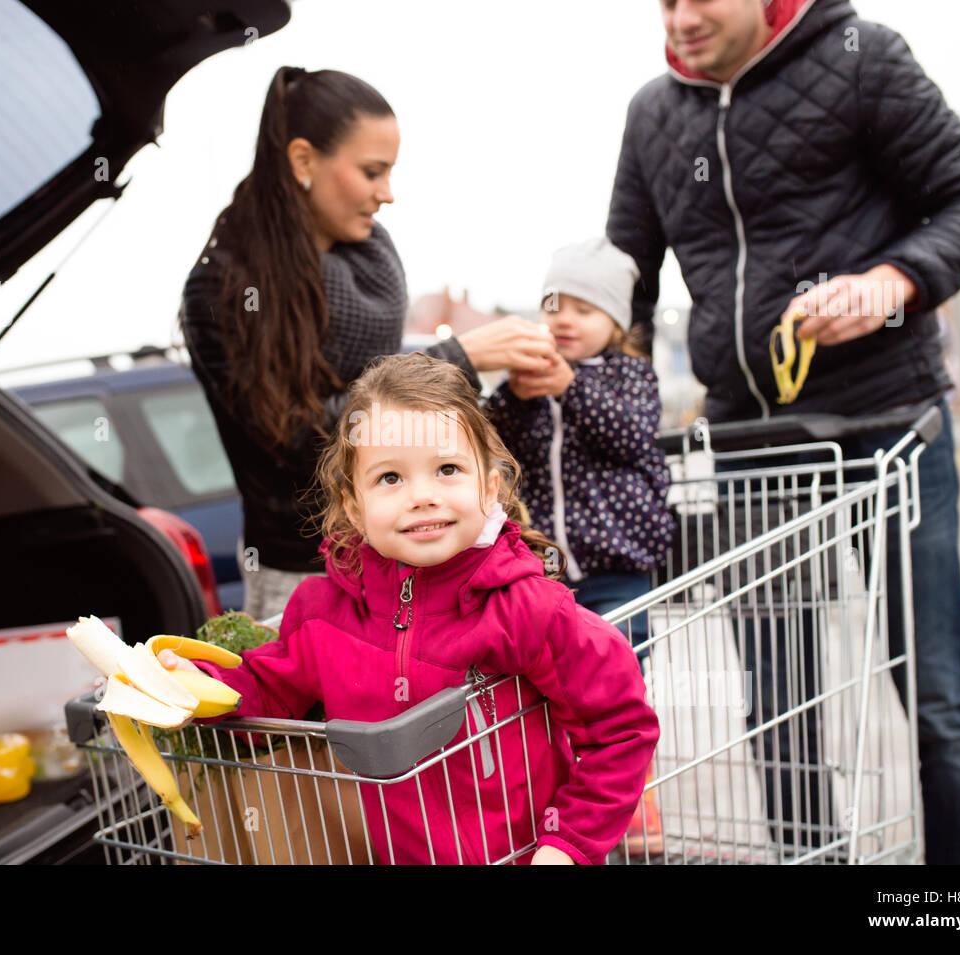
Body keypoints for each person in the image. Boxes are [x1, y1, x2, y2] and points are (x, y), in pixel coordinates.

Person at [606, 0, 960, 864]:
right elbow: (628, 287)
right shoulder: (652, 112)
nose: (678, 17)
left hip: (890, 424)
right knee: (778, 698)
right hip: (754, 445)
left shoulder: (862, 59)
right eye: (664, 0)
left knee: (936, 691)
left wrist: (897, 279)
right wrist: (590, 365)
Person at [163, 353, 659, 865]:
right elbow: (268, 688)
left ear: (489, 488)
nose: (422, 496)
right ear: (354, 504)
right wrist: (190, 683)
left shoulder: (525, 607)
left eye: (447, 470)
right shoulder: (322, 614)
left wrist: (567, 844)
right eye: (390, 478)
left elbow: (621, 729)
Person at [181, 66, 556, 620]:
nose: (388, 194)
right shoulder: (225, 285)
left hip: (407, 557)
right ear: (304, 161)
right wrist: (460, 358)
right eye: (372, 172)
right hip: (308, 574)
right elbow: (296, 436)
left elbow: (376, 384)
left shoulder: (365, 261)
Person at [483, 237, 675, 858]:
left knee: (618, 684)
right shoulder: (530, 384)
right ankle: (566, 799)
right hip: (550, 573)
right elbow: (495, 440)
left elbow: (630, 435)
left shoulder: (629, 377)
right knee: (555, 691)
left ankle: (631, 791)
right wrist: (515, 392)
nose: (563, 319)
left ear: (615, 324)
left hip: (618, 567)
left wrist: (569, 386)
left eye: (583, 310)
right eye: (554, 305)